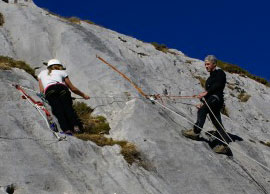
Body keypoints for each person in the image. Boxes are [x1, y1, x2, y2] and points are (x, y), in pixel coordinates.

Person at [182, 55, 231, 154]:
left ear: (214, 64)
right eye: (205, 64)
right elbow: (207, 95)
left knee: (202, 111)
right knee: (216, 121)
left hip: (216, 98)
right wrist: (202, 102)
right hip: (212, 101)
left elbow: (219, 84)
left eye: (208, 64)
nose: (206, 66)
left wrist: (207, 93)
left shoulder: (220, 73)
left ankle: (196, 132)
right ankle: (224, 145)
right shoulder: (208, 80)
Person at [38, 59, 90, 134]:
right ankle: (76, 127)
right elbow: (72, 88)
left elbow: (42, 90)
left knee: (58, 110)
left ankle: (66, 130)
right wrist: (84, 95)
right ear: (59, 66)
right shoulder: (62, 72)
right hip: (62, 89)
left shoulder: (41, 73)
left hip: (50, 91)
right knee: (68, 108)